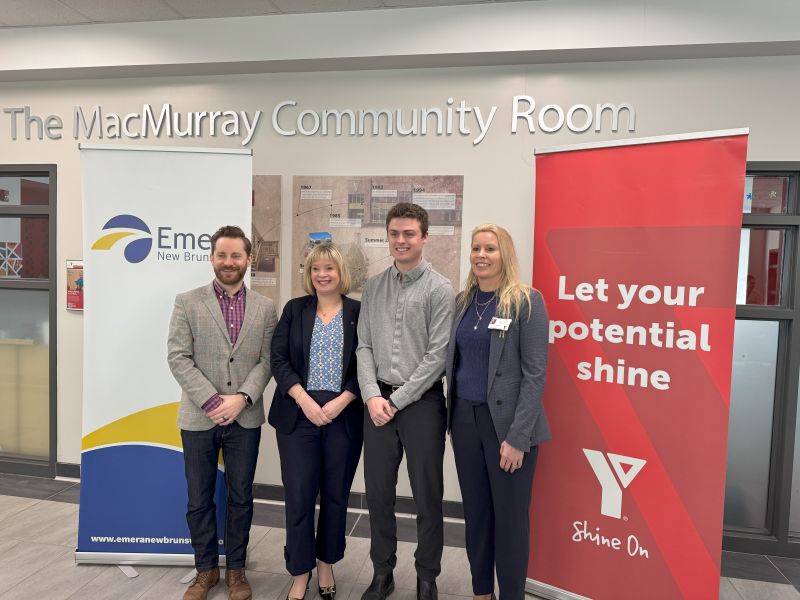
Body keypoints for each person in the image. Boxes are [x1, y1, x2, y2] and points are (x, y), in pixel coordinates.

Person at [168, 225, 278, 600]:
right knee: (198, 497)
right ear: (212, 257)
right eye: (221, 255)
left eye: (236, 256)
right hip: (199, 418)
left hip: (245, 418)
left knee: (241, 497)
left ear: (248, 259)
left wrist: (243, 397)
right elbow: (178, 357)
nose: (228, 262)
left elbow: (267, 361)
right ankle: (205, 571)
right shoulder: (187, 301)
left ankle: (236, 570)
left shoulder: (265, 307)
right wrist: (213, 401)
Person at [445, 223, 550, 600]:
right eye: (476, 248)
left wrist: (518, 438)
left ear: (504, 254)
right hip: (464, 421)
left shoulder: (526, 301)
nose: (481, 255)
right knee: (476, 516)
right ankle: (480, 593)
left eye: (490, 248)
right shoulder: (463, 302)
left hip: (507, 428)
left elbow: (535, 374)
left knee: (509, 522)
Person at [356, 202, 455, 600]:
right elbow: (363, 346)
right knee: (378, 493)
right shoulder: (374, 287)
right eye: (394, 233)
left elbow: (438, 357)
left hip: (422, 405)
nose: (400, 241)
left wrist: (396, 401)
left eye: (409, 234)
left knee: (427, 494)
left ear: (424, 237)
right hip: (377, 403)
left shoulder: (440, 289)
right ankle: (383, 571)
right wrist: (371, 396)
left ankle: (427, 575)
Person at [269, 242, 363, 600]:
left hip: (344, 415)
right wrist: (304, 399)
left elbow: (368, 363)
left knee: (336, 496)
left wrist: (342, 401)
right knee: (299, 496)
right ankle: (299, 571)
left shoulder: (358, 311)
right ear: (309, 275)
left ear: (342, 273)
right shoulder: (295, 310)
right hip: (298, 414)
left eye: (329, 268)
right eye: (315, 269)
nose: (322, 275)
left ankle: (326, 563)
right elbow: (278, 359)